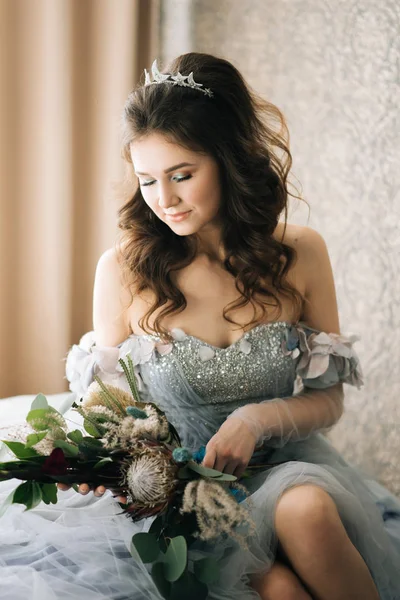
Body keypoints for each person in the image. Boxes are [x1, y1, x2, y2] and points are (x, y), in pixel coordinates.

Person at [1, 52, 400, 600]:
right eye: (147, 181)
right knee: (280, 590)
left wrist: (256, 420)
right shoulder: (123, 269)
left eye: (182, 175)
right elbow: (108, 407)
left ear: (229, 160)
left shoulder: (301, 253)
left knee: (308, 510)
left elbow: (329, 400)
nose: (163, 200)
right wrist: (104, 459)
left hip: (284, 467)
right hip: (176, 492)